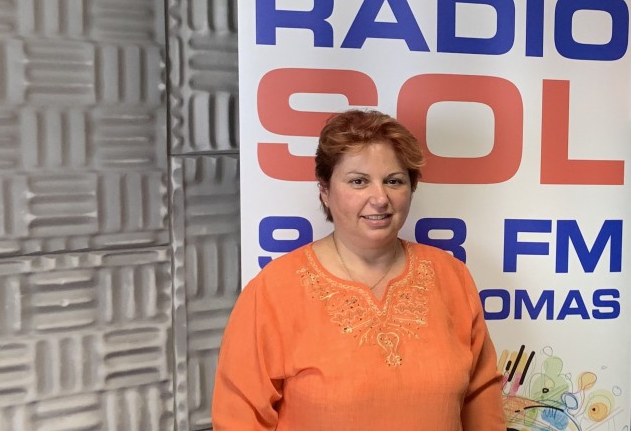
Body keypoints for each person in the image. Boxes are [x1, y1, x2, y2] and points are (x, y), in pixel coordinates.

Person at [212, 109, 506, 430]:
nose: (380, 198)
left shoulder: (451, 276)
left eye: (393, 181)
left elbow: (482, 401)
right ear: (325, 191)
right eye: (358, 181)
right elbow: (238, 418)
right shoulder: (273, 289)